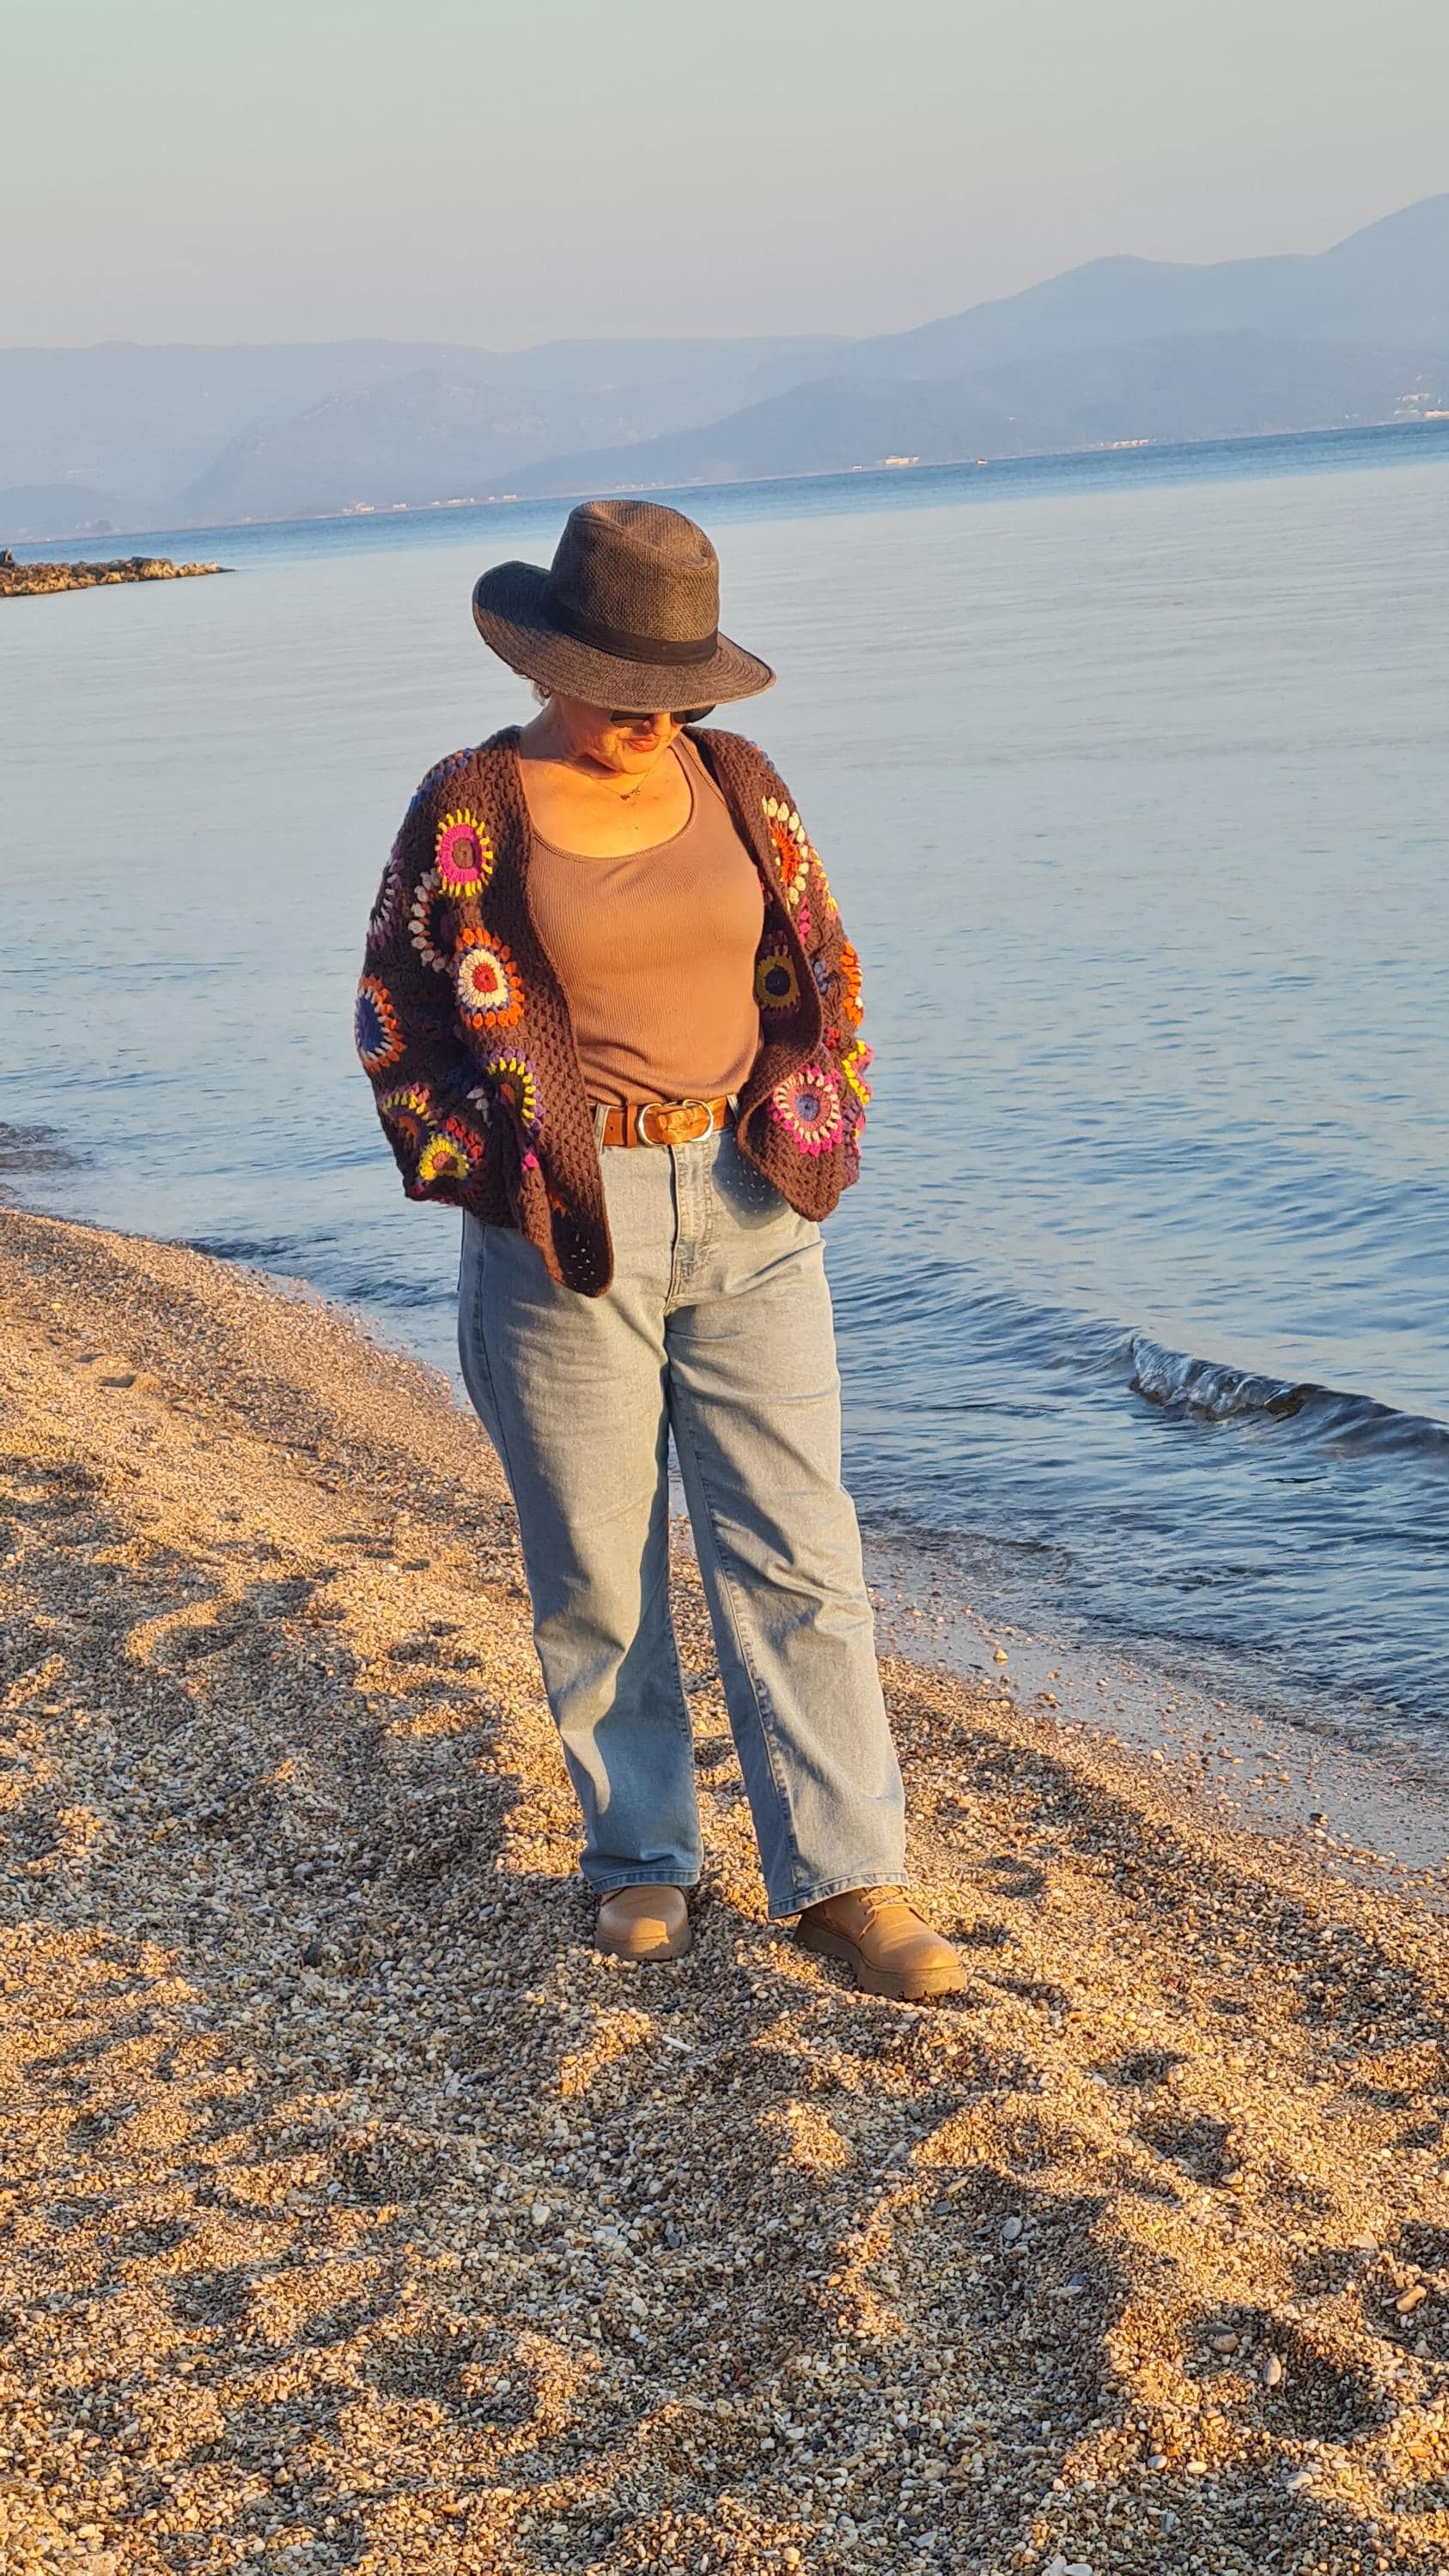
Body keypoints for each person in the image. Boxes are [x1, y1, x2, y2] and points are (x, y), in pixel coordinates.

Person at [356, 498, 964, 2002]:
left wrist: (820, 1125)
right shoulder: (470, 807)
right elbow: (397, 1018)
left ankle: (845, 1879)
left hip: (750, 1206)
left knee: (799, 1552)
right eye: (619, 685)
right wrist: (496, 1171)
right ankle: (641, 1861)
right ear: (553, 655)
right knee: (597, 1569)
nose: (649, 717)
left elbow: (823, 967)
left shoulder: (742, 781)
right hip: (565, 1229)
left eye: (671, 687)